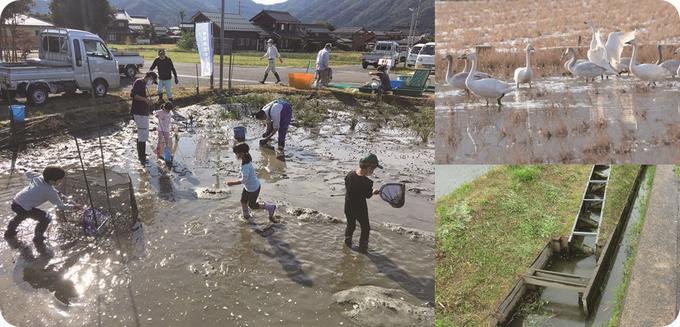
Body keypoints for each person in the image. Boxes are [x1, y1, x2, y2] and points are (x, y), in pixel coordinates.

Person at [5, 167, 83, 242]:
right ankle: (38, 237)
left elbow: (28, 173)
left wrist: (32, 170)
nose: (61, 182)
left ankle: (9, 232)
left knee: (21, 216)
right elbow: (61, 206)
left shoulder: (39, 177)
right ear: (52, 181)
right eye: (60, 180)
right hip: (24, 207)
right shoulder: (50, 192)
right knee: (46, 218)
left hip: (16, 201)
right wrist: (74, 207)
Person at [226, 143, 277, 222]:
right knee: (243, 201)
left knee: (252, 205)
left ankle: (270, 207)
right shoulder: (245, 161)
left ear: (242, 153)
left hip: (254, 188)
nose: (235, 155)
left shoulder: (245, 165)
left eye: (236, 153)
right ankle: (246, 216)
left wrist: (232, 183)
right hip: (248, 187)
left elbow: (244, 180)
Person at [344, 154, 382, 253]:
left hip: (348, 206)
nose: (373, 172)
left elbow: (348, 186)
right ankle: (363, 248)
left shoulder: (350, 174)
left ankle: (347, 242)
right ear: (369, 168)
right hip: (360, 209)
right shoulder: (367, 182)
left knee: (350, 225)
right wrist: (373, 191)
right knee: (365, 227)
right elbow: (368, 195)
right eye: (373, 169)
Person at [131, 71, 158, 165]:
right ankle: (141, 156)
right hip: (139, 112)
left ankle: (142, 153)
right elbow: (135, 96)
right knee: (142, 133)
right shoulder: (139, 82)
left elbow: (143, 98)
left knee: (144, 133)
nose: (152, 83)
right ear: (149, 77)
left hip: (144, 112)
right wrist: (146, 100)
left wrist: (149, 102)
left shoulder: (145, 85)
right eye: (152, 81)